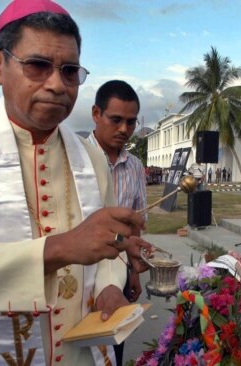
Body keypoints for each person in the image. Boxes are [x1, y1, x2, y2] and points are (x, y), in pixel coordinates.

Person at [0, 1, 148, 365]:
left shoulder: (90, 158)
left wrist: (109, 286)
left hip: (80, 353)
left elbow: (107, 250)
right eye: (37, 66)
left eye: (69, 71)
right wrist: (64, 247)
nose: (56, 84)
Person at [88, 80, 151, 365]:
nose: (124, 129)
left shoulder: (135, 165)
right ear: (95, 114)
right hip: (80, 274)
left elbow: (136, 222)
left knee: (114, 346)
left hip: (121, 272)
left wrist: (134, 272)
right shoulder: (75, 158)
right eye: (115, 120)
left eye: (131, 122)